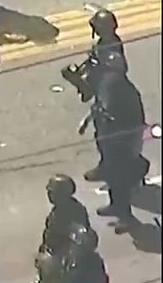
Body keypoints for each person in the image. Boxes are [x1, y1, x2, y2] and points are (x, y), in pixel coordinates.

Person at [85, 50, 148, 231]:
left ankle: (125, 217)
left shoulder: (119, 88)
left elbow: (127, 119)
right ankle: (115, 205)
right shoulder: (110, 84)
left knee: (121, 181)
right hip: (112, 140)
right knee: (113, 177)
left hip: (121, 143)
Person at [39, 174, 89, 258]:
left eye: (52, 192)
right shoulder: (56, 211)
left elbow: (82, 234)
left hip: (69, 252)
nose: (49, 195)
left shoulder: (76, 210)